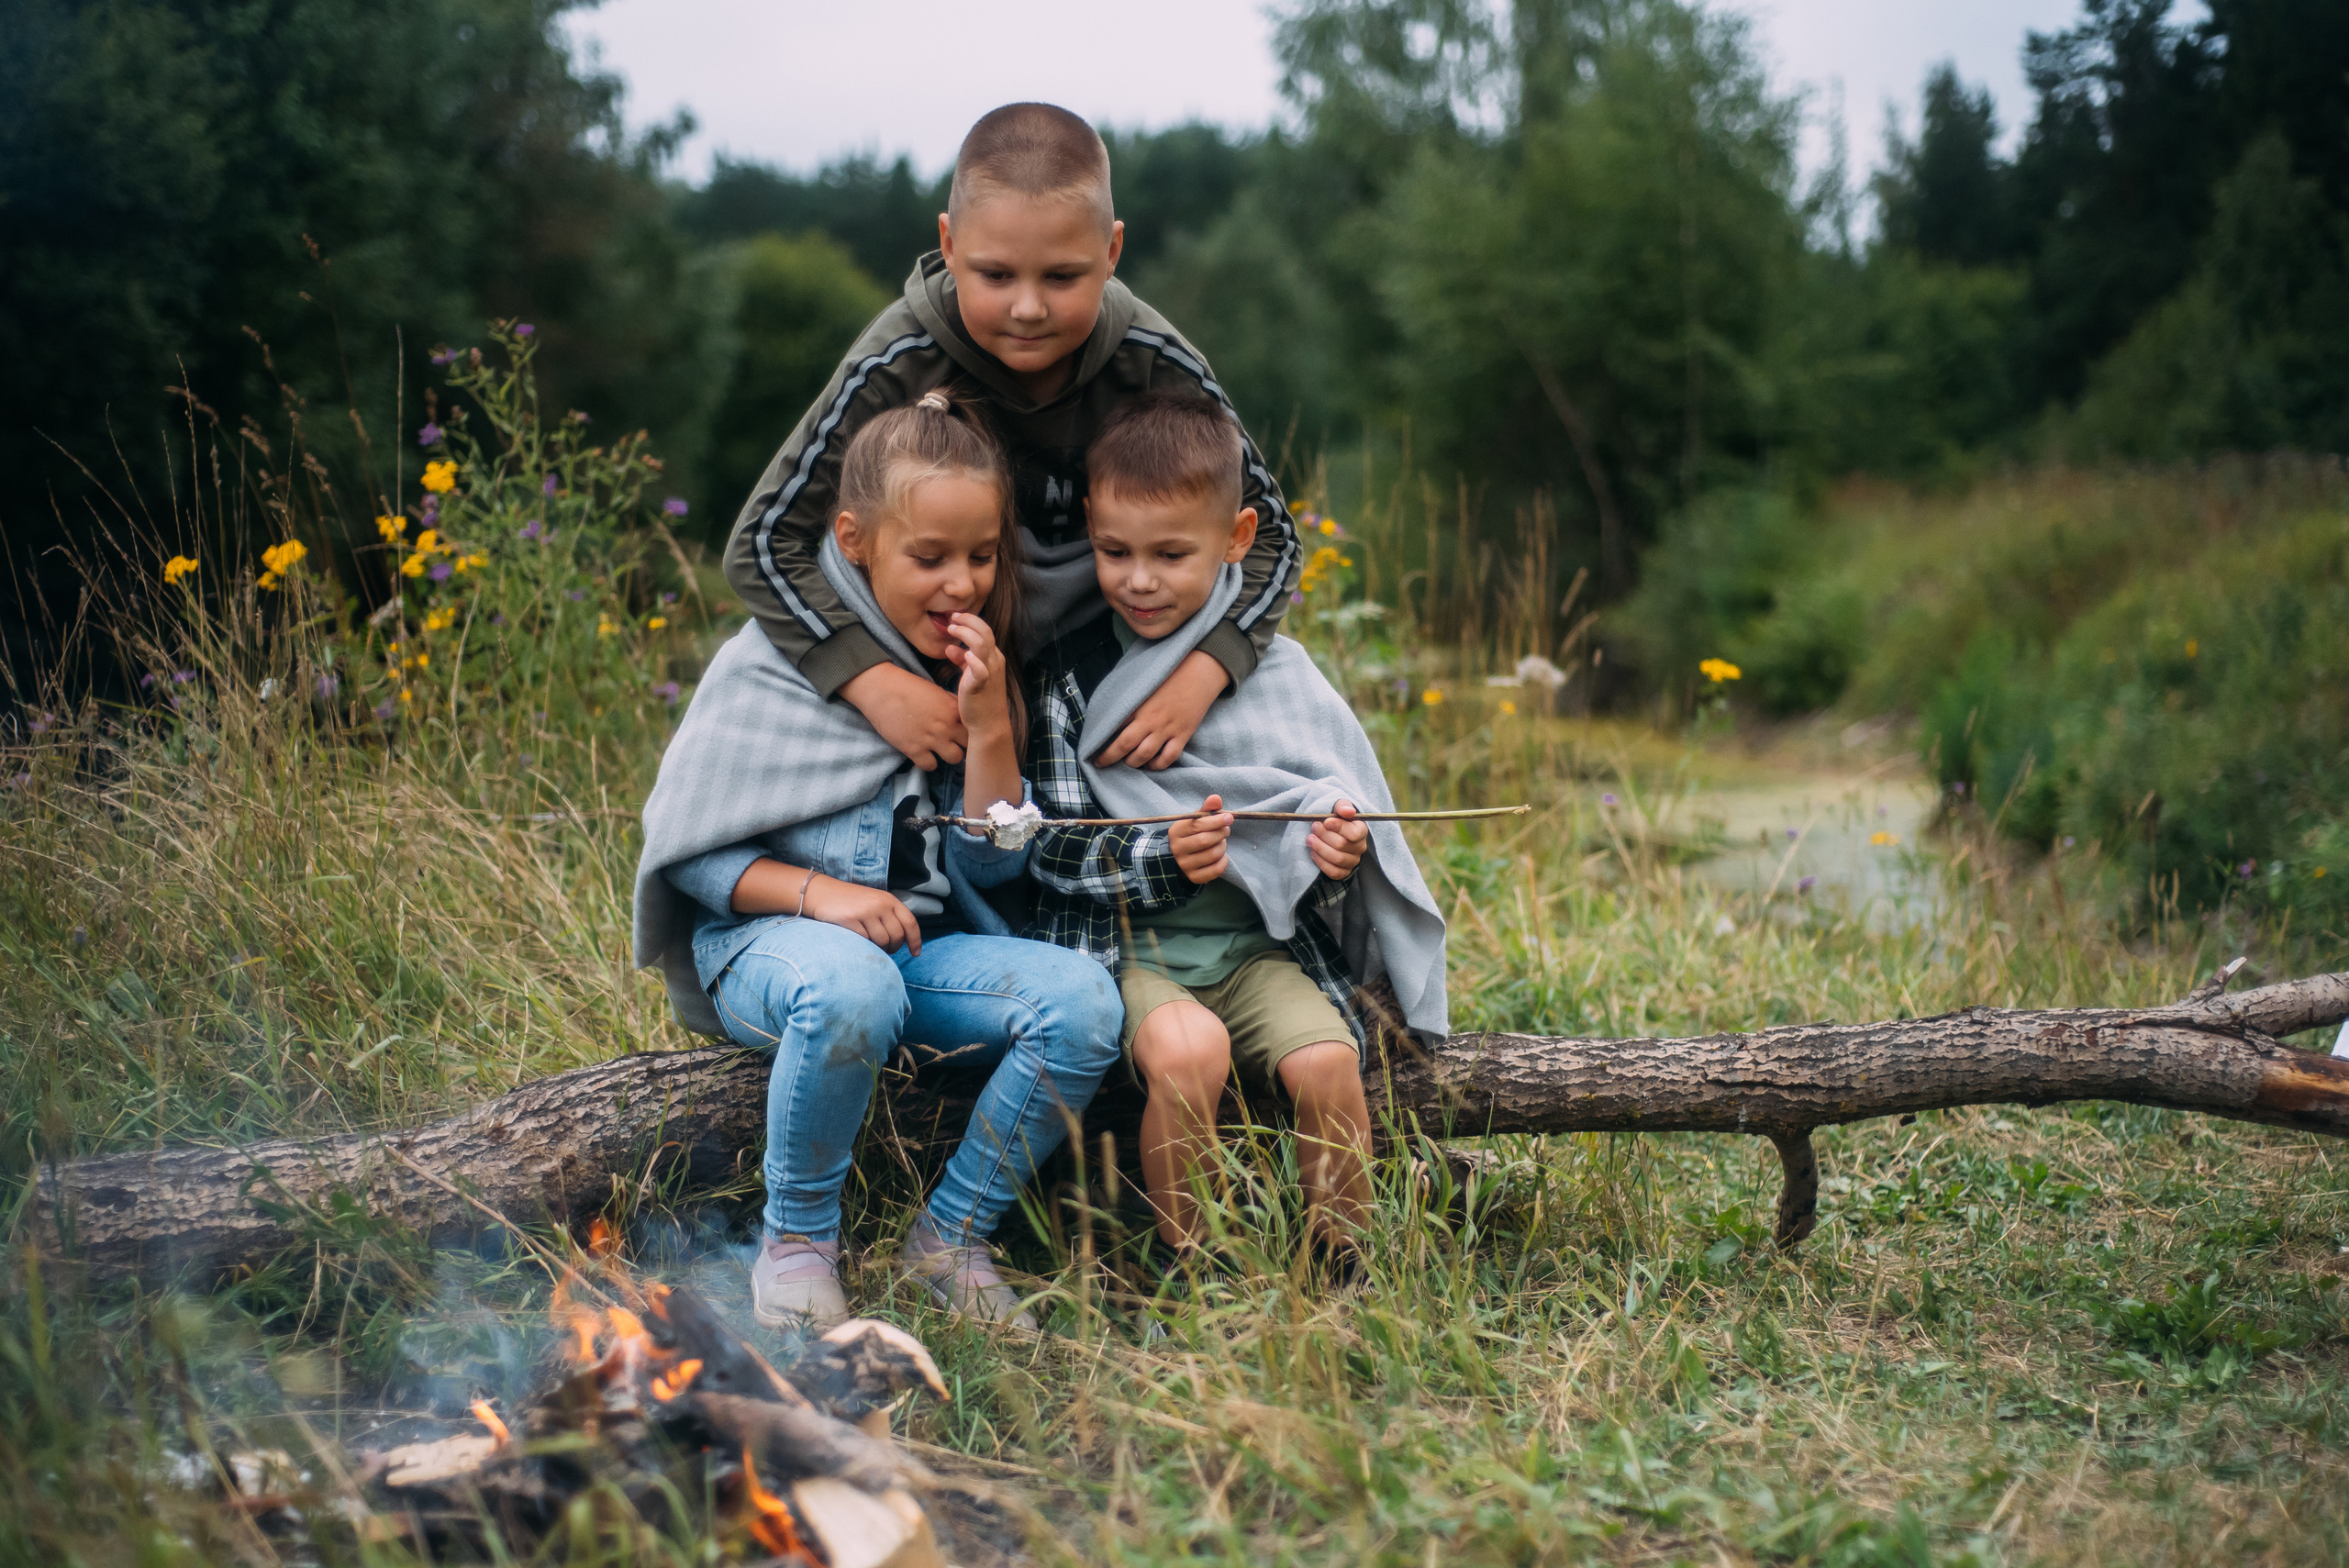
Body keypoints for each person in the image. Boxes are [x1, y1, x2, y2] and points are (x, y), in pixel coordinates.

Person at [634, 392, 1121, 1333]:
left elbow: (995, 873)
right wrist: (825, 896)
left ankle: (950, 1235)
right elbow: (693, 856)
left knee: (1083, 1000)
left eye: (981, 556)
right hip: (771, 947)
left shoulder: (970, 666)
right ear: (854, 539)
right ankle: (799, 1240)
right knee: (853, 983)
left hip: (921, 955)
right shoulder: (775, 660)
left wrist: (988, 731)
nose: (962, 583)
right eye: (929, 558)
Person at [719, 101, 1300, 780]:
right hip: (931, 659)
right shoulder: (895, 361)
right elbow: (765, 541)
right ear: (950, 244)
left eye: (1062, 277)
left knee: (1286, 688)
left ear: (1111, 251)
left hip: (1115, 653)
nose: (1028, 307)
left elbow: (1271, 538)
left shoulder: (1155, 360)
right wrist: (873, 682)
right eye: (996, 276)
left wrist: (1202, 674)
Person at [1021, 394, 1451, 1280]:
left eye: (1170, 554)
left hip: (1256, 951)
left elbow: (1326, 811)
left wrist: (1334, 855)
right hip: (1130, 952)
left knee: (1330, 1056)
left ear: (1237, 536)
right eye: (1114, 552)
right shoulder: (1069, 681)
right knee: (1190, 1053)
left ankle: (1343, 1258)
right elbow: (1048, 846)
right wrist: (1159, 857)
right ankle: (1200, 1266)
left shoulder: (1280, 674)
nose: (1139, 580)